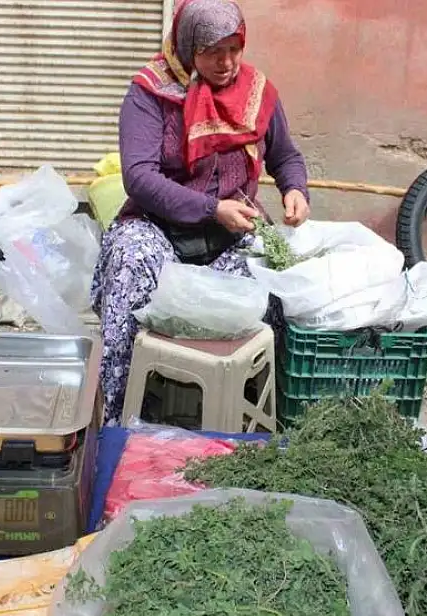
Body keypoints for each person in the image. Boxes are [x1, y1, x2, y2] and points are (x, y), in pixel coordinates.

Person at [91, 0, 310, 425]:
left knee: (276, 287)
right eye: (213, 52)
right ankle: (121, 417)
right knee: (130, 261)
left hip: (232, 233)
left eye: (235, 49)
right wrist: (211, 208)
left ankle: (241, 417)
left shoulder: (257, 92)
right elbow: (139, 177)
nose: (227, 63)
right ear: (189, 46)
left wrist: (294, 189)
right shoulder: (150, 92)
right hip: (158, 228)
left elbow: (285, 156)